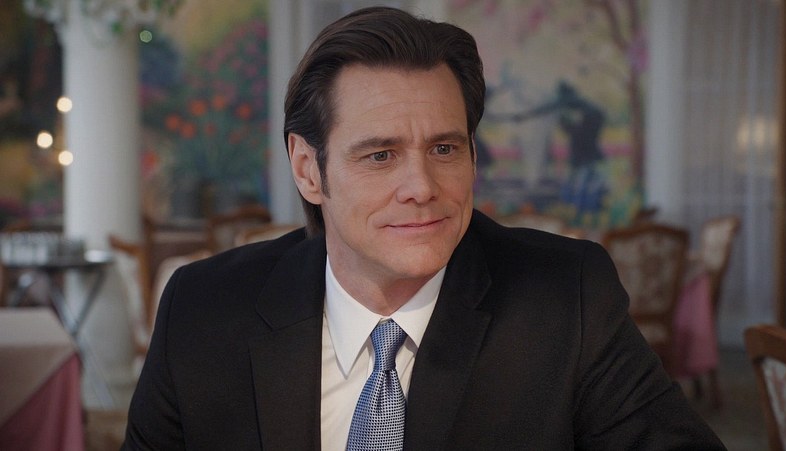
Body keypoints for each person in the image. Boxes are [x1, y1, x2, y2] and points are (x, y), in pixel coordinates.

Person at [122, 6, 725, 450]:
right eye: (380, 155)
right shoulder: (203, 310)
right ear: (308, 170)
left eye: (443, 148)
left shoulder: (566, 299)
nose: (421, 186)